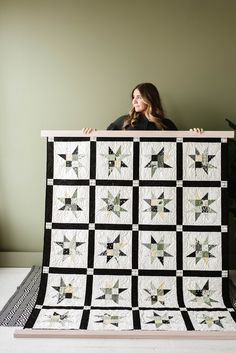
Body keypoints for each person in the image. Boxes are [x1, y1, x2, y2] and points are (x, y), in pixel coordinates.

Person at [82, 82, 203, 133]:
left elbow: (181, 151)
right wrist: (92, 133)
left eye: (139, 97)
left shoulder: (166, 124)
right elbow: (103, 144)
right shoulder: (123, 122)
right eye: (133, 97)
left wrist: (193, 135)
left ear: (149, 98)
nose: (134, 101)